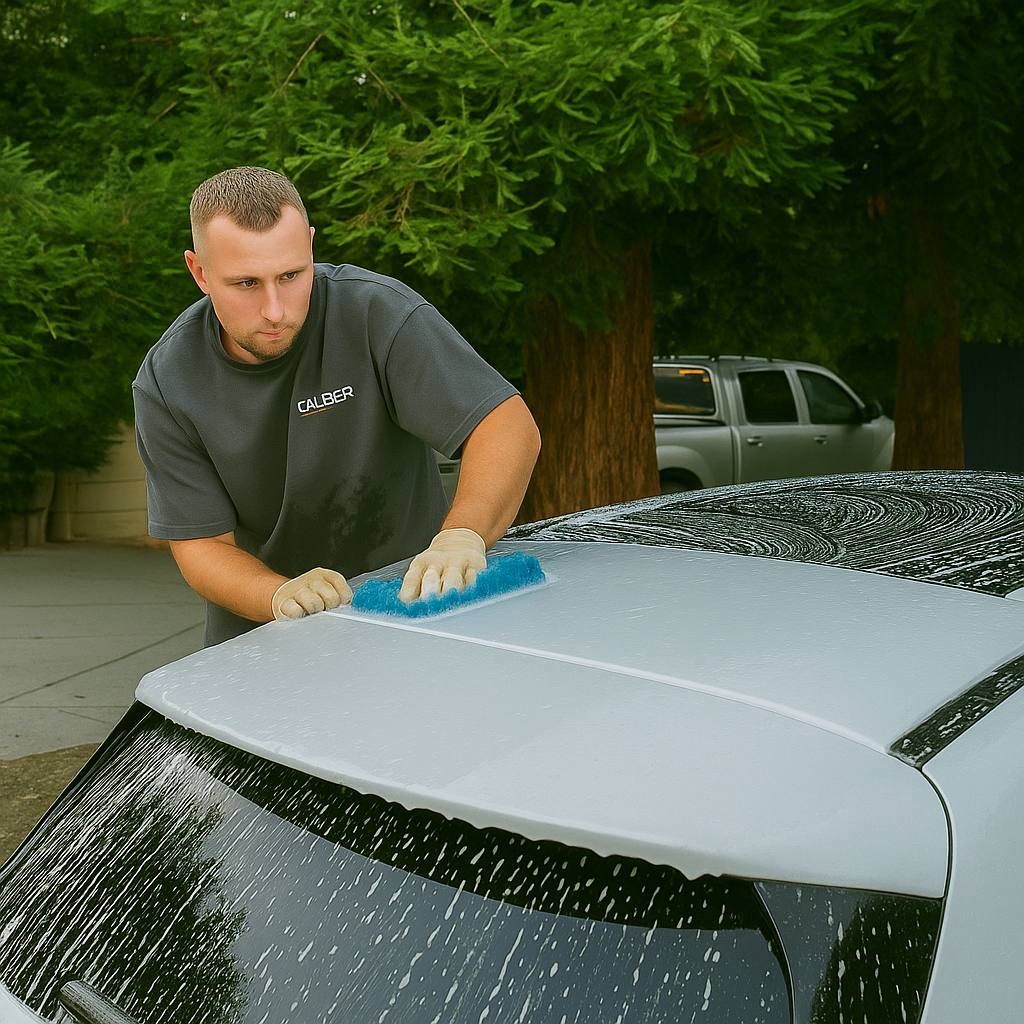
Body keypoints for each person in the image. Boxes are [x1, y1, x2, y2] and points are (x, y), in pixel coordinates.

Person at [133, 166, 541, 646]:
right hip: (268, 643)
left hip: (417, 615)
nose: (275, 310)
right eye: (246, 283)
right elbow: (201, 544)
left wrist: (464, 534)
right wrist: (278, 594)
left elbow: (506, 424)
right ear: (199, 272)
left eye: (291, 275)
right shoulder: (167, 380)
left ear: (309, 245)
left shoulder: (376, 312)